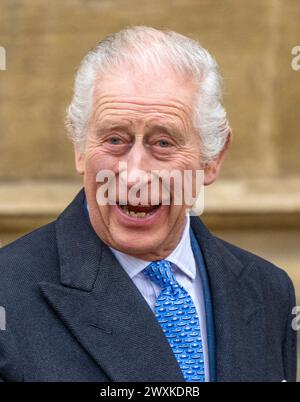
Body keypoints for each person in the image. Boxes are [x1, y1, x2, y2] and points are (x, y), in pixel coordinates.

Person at [0, 26, 296, 382]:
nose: (135, 174)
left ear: (212, 158)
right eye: (114, 139)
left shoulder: (268, 290)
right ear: (80, 148)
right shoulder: (8, 292)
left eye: (163, 143)